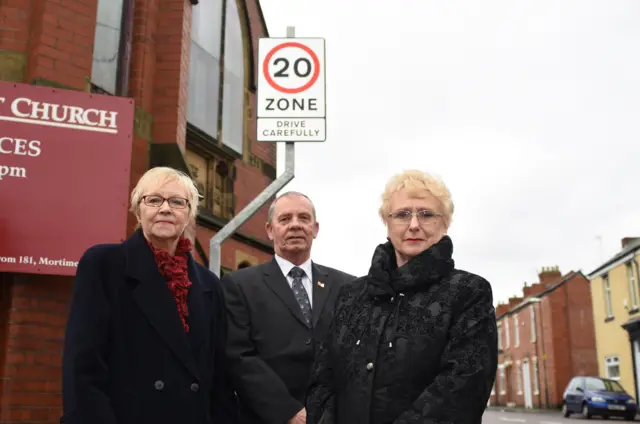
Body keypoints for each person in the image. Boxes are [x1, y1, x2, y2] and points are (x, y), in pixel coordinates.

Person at [306, 170, 498, 424]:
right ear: (387, 222)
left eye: (427, 214)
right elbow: (323, 380)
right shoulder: (351, 296)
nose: (414, 225)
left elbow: (463, 388)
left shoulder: (468, 292)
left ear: (445, 223)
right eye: (402, 214)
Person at [61, 166, 236, 424]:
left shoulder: (209, 283)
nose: (165, 208)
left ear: (189, 214)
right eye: (153, 200)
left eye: (177, 202)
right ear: (138, 211)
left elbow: (220, 379)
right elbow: (83, 368)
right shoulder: (104, 264)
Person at [221, 191, 355, 424]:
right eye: (285, 219)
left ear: (315, 229)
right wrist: (289, 412)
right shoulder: (239, 286)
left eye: (303, 218)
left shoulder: (349, 286)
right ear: (270, 230)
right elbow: (239, 357)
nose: (295, 225)